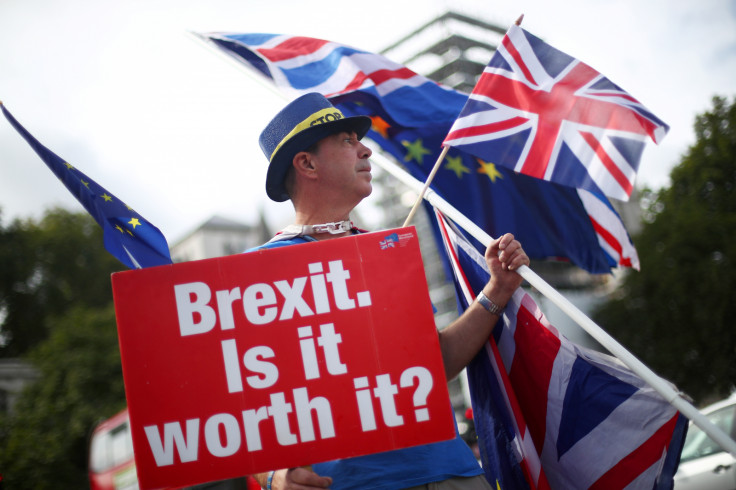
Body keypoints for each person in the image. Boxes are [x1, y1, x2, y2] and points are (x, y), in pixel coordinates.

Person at [249, 93, 529, 490]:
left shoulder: (388, 251)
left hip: (455, 473)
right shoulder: (257, 273)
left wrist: (498, 289)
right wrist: (274, 477)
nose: (366, 150)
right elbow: (236, 413)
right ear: (306, 163)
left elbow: (436, 362)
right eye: (347, 141)